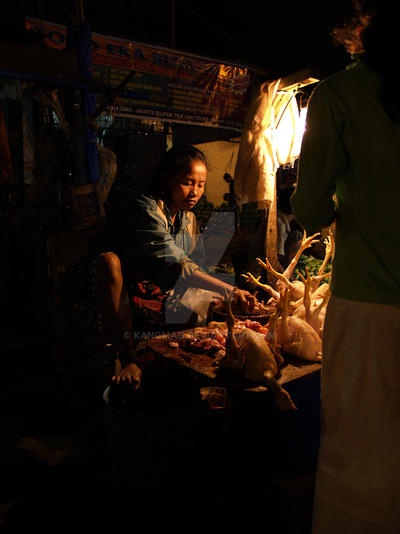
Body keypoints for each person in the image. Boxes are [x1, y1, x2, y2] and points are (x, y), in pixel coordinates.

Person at [291, 2, 400, 533]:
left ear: (361, 30)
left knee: (361, 460)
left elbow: (309, 210)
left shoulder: (339, 94)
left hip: (371, 308)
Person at [92, 144, 258, 389]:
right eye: (188, 182)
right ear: (166, 178)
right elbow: (178, 266)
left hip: (156, 286)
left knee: (202, 301)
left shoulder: (183, 217)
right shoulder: (145, 208)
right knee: (109, 261)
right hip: (120, 285)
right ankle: (127, 358)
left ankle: (174, 359)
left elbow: (192, 265)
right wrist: (228, 290)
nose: (195, 192)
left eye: (201, 185)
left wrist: (216, 295)